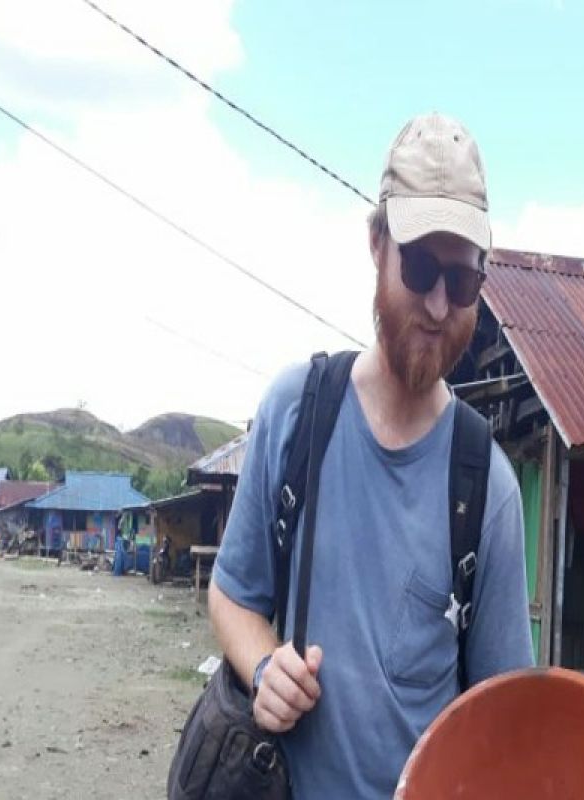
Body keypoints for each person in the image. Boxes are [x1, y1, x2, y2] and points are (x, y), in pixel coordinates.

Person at [208, 113, 534, 798]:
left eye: (464, 281)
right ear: (376, 243)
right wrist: (264, 670)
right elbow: (234, 596)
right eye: (419, 267)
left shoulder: (488, 488)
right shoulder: (296, 412)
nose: (441, 307)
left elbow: (504, 725)